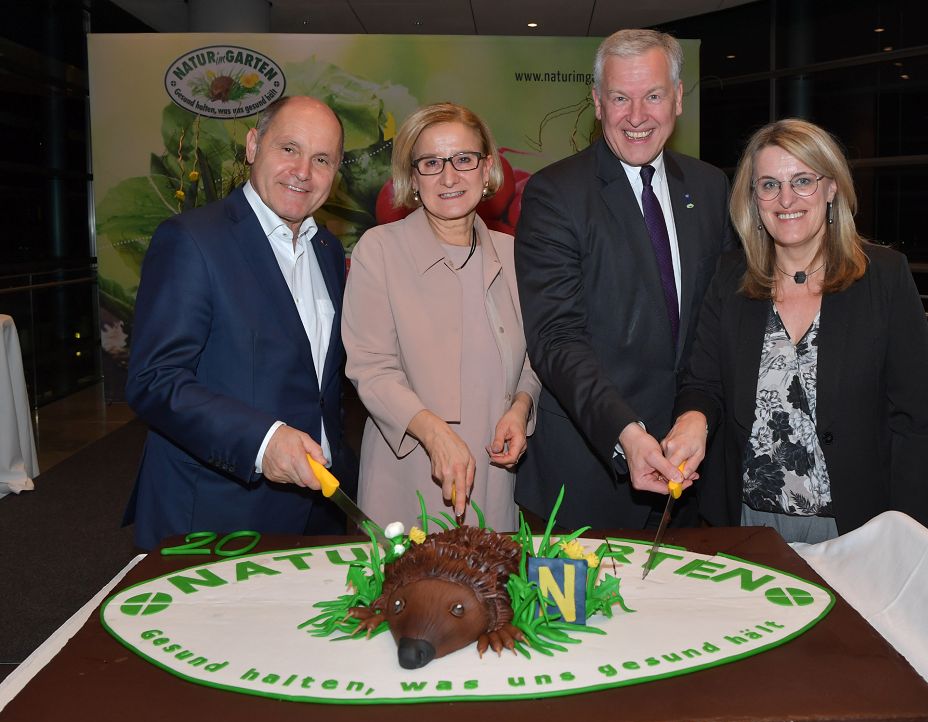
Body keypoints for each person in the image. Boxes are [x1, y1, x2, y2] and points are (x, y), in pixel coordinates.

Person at [665, 118, 928, 542]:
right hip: (746, 523)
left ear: (832, 189)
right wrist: (692, 419)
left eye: (803, 181)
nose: (786, 198)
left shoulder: (884, 277)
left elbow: (914, 424)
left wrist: (912, 542)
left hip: (855, 528)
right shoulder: (729, 277)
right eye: (769, 184)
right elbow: (703, 381)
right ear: (753, 198)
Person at [514, 29, 736, 530]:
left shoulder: (709, 187)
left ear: (678, 98)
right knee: (572, 612)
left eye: (653, 95)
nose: (637, 117)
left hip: (691, 472)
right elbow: (556, 338)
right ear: (597, 102)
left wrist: (698, 415)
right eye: (620, 98)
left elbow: (716, 324)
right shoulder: (555, 194)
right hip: (589, 476)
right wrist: (627, 434)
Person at [125, 95, 358, 550]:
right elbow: (155, 379)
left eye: (322, 159)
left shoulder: (327, 250)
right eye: (289, 149)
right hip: (220, 511)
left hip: (321, 507)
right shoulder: (192, 240)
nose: (303, 171)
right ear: (253, 145)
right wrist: (263, 441)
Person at [342, 102, 540, 532]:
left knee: (492, 595)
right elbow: (370, 369)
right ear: (413, 178)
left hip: (494, 474)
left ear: (487, 170)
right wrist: (434, 434)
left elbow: (533, 360)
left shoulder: (512, 256)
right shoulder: (379, 251)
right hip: (408, 473)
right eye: (431, 163)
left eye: (463, 159)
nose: (449, 177)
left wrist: (520, 408)